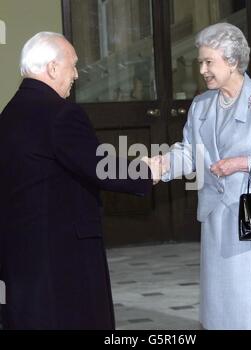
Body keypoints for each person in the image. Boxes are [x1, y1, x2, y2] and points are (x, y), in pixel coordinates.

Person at [0, 32, 159, 330]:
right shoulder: (60, 113)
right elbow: (99, 166)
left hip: (21, 254)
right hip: (61, 255)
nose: (75, 75)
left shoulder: (8, 114)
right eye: (72, 65)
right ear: (51, 68)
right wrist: (148, 170)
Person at [159, 23, 251, 330]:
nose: (203, 70)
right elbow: (190, 153)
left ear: (233, 61)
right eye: (201, 62)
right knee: (222, 310)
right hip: (218, 217)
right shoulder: (201, 105)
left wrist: (242, 163)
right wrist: (160, 166)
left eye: (209, 62)